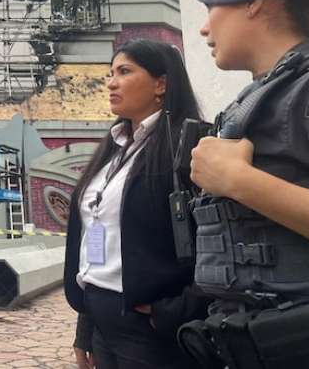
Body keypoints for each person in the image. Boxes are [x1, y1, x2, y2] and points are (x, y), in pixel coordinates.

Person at [180, 0, 309, 368]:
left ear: (253, 2)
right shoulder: (265, 96)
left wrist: (242, 182)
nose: (203, 28)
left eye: (211, 8)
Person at [64, 39, 211, 369]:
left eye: (125, 71)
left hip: (150, 329)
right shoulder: (114, 148)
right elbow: (95, 242)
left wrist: (178, 310)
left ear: (161, 84)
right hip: (102, 319)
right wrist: (85, 327)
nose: (112, 82)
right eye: (110, 73)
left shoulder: (187, 147)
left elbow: (217, 241)